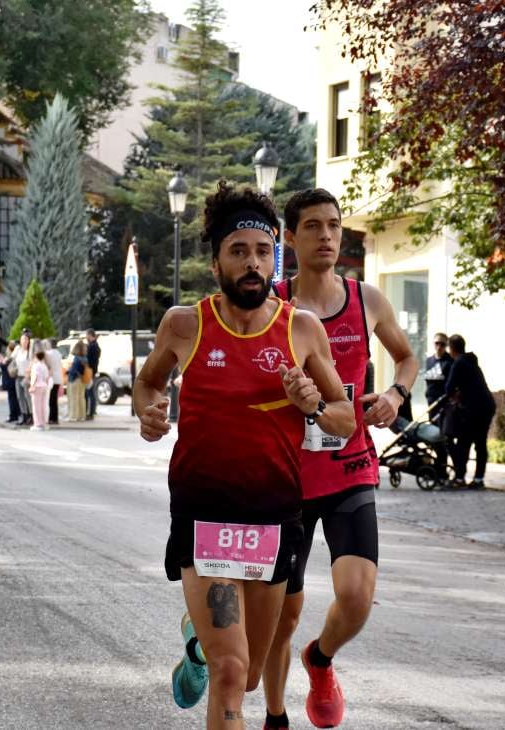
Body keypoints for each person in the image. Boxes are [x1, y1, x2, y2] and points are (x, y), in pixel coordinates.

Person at [134, 181, 354, 729]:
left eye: (262, 252)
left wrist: (313, 406)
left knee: (251, 672)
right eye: (238, 252)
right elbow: (148, 384)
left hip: (274, 517)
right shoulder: (186, 324)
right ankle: (210, 648)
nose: (252, 263)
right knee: (231, 674)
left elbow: (343, 419)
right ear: (217, 263)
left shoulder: (300, 329)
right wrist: (150, 412)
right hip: (204, 513)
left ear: (273, 256)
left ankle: (197, 642)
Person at [264, 187, 420, 730]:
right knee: (282, 617)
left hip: (351, 465)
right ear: (290, 236)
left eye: (333, 225)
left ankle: (321, 659)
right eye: (313, 226)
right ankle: (275, 715)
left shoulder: (366, 299)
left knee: (356, 598)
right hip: (286, 478)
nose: (327, 235)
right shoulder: (272, 304)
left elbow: (405, 358)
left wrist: (395, 396)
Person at [442, 335, 496, 489]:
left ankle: (460, 477)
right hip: (486, 405)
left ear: (451, 349)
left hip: (473, 409)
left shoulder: (458, 363)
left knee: (463, 442)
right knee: (480, 443)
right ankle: (479, 479)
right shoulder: (471, 361)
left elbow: (448, 388)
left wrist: (454, 395)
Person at [422, 333, 454, 475]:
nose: (439, 347)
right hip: (431, 405)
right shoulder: (429, 361)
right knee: (432, 438)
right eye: (437, 343)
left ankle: (442, 469)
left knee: (442, 438)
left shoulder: (449, 362)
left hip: (444, 407)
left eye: (442, 344)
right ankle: (436, 467)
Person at [28, 346, 52, 431]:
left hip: (37, 386)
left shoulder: (36, 366)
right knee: (43, 405)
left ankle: (37, 423)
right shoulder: (44, 366)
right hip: (44, 386)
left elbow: (35, 376)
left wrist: (32, 385)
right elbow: (47, 377)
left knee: (36, 406)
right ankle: (43, 422)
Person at [13, 331, 33, 426]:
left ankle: (31, 415)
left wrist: (28, 376)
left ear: (29, 341)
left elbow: (32, 364)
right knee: (19, 397)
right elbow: (11, 359)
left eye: (25, 339)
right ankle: (24, 415)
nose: (24, 341)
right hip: (18, 376)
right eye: (22, 339)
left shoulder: (30, 352)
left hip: (27, 377)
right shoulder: (18, 350)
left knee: (27, 397)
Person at [43, 338, 64, 425]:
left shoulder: (49, 354)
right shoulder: (58, 353)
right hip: (58, 378)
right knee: (54, 399)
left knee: (51, 400)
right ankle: (55, 418)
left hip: (51, 378)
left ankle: (52, 418)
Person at [66, 341, 88, 422]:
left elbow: (74, 370)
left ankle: (73, 416)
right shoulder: (85, 358)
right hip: (82, 380)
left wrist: (68, 371)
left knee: (73, 398)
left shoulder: (76, 358)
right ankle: (81, 416)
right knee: (81, 398)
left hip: (74, 379)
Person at [0, 341, 21, 424]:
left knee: (12, 399)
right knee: (14, 398)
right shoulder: (15, 357)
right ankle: (16, 415)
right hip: (13, 379)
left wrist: (1, 362)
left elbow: (4, 367)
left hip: (10, 380)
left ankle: (13, 415)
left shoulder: (10, 358)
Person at [85, 329, 101, 420]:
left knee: (89, 392)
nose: (86, 337)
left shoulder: (92, 346)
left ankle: (90, 413)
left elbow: (90, 360)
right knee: (91, 392)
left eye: (87, 335)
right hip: (93, 371)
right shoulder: (96, 346)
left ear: (90, 335)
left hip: (90, 371)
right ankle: (91, 411)